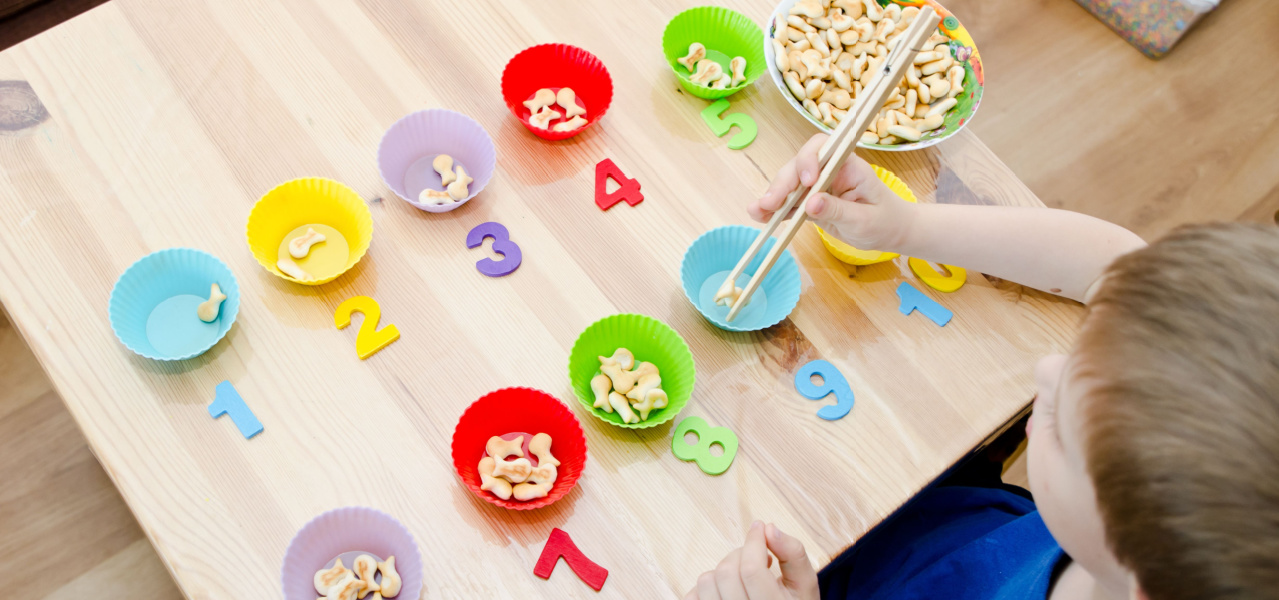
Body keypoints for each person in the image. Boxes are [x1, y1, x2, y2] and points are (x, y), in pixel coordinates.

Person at [684, 134, 1279, 600]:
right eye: (1074, 361)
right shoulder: (1151, 547)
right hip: (939, 527)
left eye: (1064, 427)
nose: (1046, 370)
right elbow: (1114, 265)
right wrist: (907, 226)